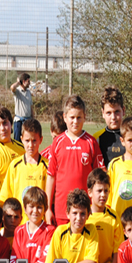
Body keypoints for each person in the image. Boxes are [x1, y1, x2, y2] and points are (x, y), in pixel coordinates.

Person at [46, 96, 104, 226]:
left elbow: (99, 178)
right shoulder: (57, 142)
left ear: (84, 117)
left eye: (79, 117)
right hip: (62, 210)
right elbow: (51, 176)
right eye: (72, 117)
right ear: (65, 117)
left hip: (84, 211)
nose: (75, 121)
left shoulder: (91, 142)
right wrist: (48, 208)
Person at [86, 168, 124, 263]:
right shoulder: (84, 216)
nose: (103, 195)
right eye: (99, 191)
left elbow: (118, 246)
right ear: (90, 192)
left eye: (106, 191)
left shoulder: (113, 216)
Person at [0, 119, 48, 220]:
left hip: (40, 222)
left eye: (34, 141)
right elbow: (5, 198)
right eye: (27, 141)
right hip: (19, 223)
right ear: (21, 139)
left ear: (41, 140)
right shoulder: (15, 166)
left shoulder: (47, 166)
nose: (30, 145)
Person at [94, 86, 132, 166]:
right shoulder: (96, 139)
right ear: (103, 113)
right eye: (108, 113)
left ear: (123, 110)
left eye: (117, 111)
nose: (113, 117)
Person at [108, 116, 132, 218]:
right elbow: (109, 194)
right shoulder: (114, 164)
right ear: (122, 141)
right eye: (130, 140)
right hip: (116, 218)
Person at [10, 73, 33, 141]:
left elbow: (31, 106)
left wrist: (33, 119)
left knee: (27, 140)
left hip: (28, 121)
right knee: (17, 141)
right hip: (19, 121)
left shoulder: (28, 92)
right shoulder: (17, 91)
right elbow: (12, 87)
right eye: (28, 81)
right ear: (23, 81)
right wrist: (18, 82)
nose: (29, 83)